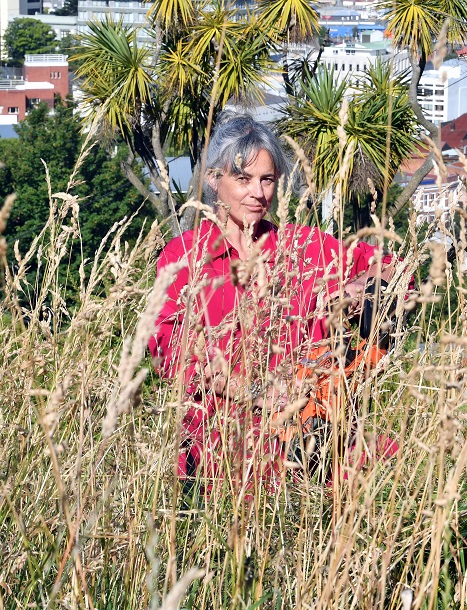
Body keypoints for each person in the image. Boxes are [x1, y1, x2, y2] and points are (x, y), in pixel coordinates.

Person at [149, 112, 397, 492]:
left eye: (267, 180)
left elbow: (395, 269)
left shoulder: (304, 248)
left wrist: (358, 289)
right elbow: (170, 355)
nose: (258, 193)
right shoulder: (184, 258)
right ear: (214, 179)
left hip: (313, 460)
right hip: (221, 464)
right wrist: (259, 392)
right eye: (243, 179)